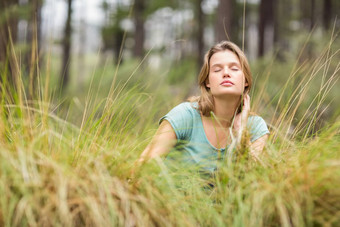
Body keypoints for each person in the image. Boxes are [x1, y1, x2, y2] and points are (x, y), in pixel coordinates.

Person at [137, 41, 269, 174]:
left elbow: (253, 178)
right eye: (217, 69)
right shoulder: (184, 116)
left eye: (234, 68)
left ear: (246, 81)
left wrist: (241, 131)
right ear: (207, 82)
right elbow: (144, 166)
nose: (226, 73)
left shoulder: (256, 127)